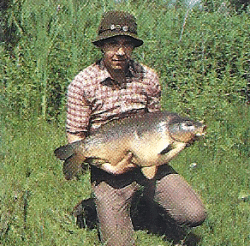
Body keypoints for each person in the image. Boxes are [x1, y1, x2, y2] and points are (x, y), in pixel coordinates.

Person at [66, 11, 207, 246]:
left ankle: (140, 205)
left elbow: (157, 125)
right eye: (113, 44)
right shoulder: (82, 84)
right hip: (109, 163)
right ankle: (94, 207)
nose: (120, 52)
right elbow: (75, 136)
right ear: (101, 46)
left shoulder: (148, 77)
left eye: (126, 44)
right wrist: (110, 168)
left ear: (133, 47)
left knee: (194, 214)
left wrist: (180, 141)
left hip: (146, 155)